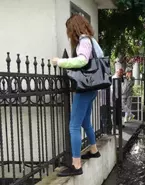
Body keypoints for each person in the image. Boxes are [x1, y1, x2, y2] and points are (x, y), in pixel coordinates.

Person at [51, 14, 102, 177]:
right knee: (85, 121)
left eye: (68, 29)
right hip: (93, 87)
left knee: (74, 125)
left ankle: (76, 164)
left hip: (85, 88)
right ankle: (94, 150)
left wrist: (60, 61)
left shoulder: (85, 41)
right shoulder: (93, 41)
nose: (68, 33)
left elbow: (81, 61)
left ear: (73, 28)